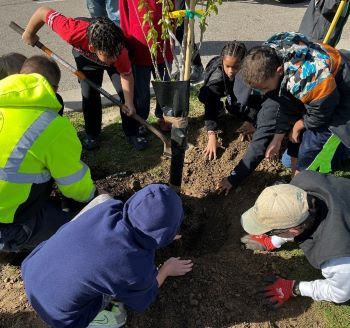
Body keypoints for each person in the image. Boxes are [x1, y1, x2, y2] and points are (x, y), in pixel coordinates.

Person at [21, 184, 193, 328]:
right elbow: (143, 300)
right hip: (59, 316)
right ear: (166, 235)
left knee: (102, 200)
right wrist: (165, 269)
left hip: (32, 269)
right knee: (119, 316)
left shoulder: (108, 207)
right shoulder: (133, 265)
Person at [0, 55, 95, 252]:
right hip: (8, 227)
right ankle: (14, 246)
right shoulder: (52, 126)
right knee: (82, 230)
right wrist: (94, 196)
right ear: (55, 89)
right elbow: (74, 185)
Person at [22, 6, 143, 150]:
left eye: (114, 55)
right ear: (93, 48)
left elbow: (126, 75)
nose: (112, 60)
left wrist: (129, 104)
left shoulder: (120, 52)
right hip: (85, 60)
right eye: (108, 57)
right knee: (89, 95)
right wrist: (29, 33)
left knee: (126, 95)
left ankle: (132, 133)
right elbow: (42, 12)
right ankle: (92, 134)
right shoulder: (72, 31)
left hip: (116, 63)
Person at [240, 32, 350, 175]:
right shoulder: (272, 52)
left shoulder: (308, 79)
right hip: (324, 91)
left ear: (279, 71)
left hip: (341, 100)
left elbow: (321, 113)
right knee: (287, 160)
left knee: (307, 160)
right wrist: (278, 137)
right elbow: (287, 102)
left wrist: (298, 125)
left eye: (265, 88)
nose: (263, 93)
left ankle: (340, 152)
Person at [241, 170, 350, 307]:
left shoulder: (337, 259)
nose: (267, 233)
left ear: (294, 231)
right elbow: (294, 215)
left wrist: (295, 287)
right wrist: (272, 241)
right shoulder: (303, 181)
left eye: (269, 232)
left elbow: (340, 293)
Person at [198, 41, 262, 160]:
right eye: (227, 66)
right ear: (222, 61)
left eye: (236, 66)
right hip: (220, 85)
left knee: (234, 106)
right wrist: (212, 134)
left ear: (244, 63)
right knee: (206, 96)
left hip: (239, 83)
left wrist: (250, 120)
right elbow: (209, 105)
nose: (231, 71)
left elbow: (255, 98)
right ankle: (220, 108)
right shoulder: (216, 78)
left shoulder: (250, 72)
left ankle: (235, 107)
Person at [119, 0, 173, 133]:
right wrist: (127, 41)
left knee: (164, 84)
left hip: (163, 42)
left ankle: (163, 115)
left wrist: (171, 35)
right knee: (141, 91)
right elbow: (124, 17)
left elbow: (171, 11)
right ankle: (141, 119)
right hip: (139, 45)